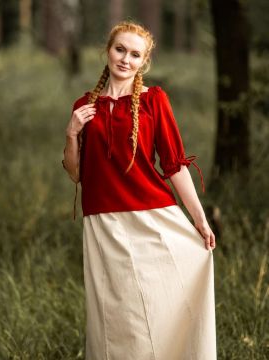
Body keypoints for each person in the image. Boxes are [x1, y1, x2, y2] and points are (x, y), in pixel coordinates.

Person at [63, 20, 217, 360]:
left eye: (135, 54)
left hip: (153, 217)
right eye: (120, 50)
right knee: (117, 317)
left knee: (161, 301)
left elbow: (174, 166)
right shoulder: (83, 107)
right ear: (107, 50)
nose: (125, 59)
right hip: (103, 222)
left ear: (143, 62)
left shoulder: (154, 100)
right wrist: (72, 134)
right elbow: (76, 175)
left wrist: (200, 220)